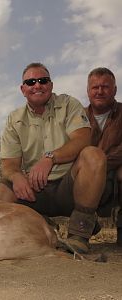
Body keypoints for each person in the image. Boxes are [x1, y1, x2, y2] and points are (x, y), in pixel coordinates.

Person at [0, 62, 107, 254]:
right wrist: (16, 177)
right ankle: (41, 224)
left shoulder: (69, 104)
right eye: (31, 82)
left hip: (69, 187)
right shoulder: (14, 119)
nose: (37, 85)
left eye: (43, 80)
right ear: (23, 89)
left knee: (94, 155)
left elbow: (82, 138)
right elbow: (9, 164)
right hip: (33, 193)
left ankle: (79, 233)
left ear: (50, 85)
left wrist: (50, 158)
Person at [86, 67, 122, 246]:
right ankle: (83, 226)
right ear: (88, 91)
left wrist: (99, 164)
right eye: (95, 87)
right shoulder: (77, 117)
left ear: (114, 90)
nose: (100, 91)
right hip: (85, 179)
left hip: (115, 175)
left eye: (105, 87)